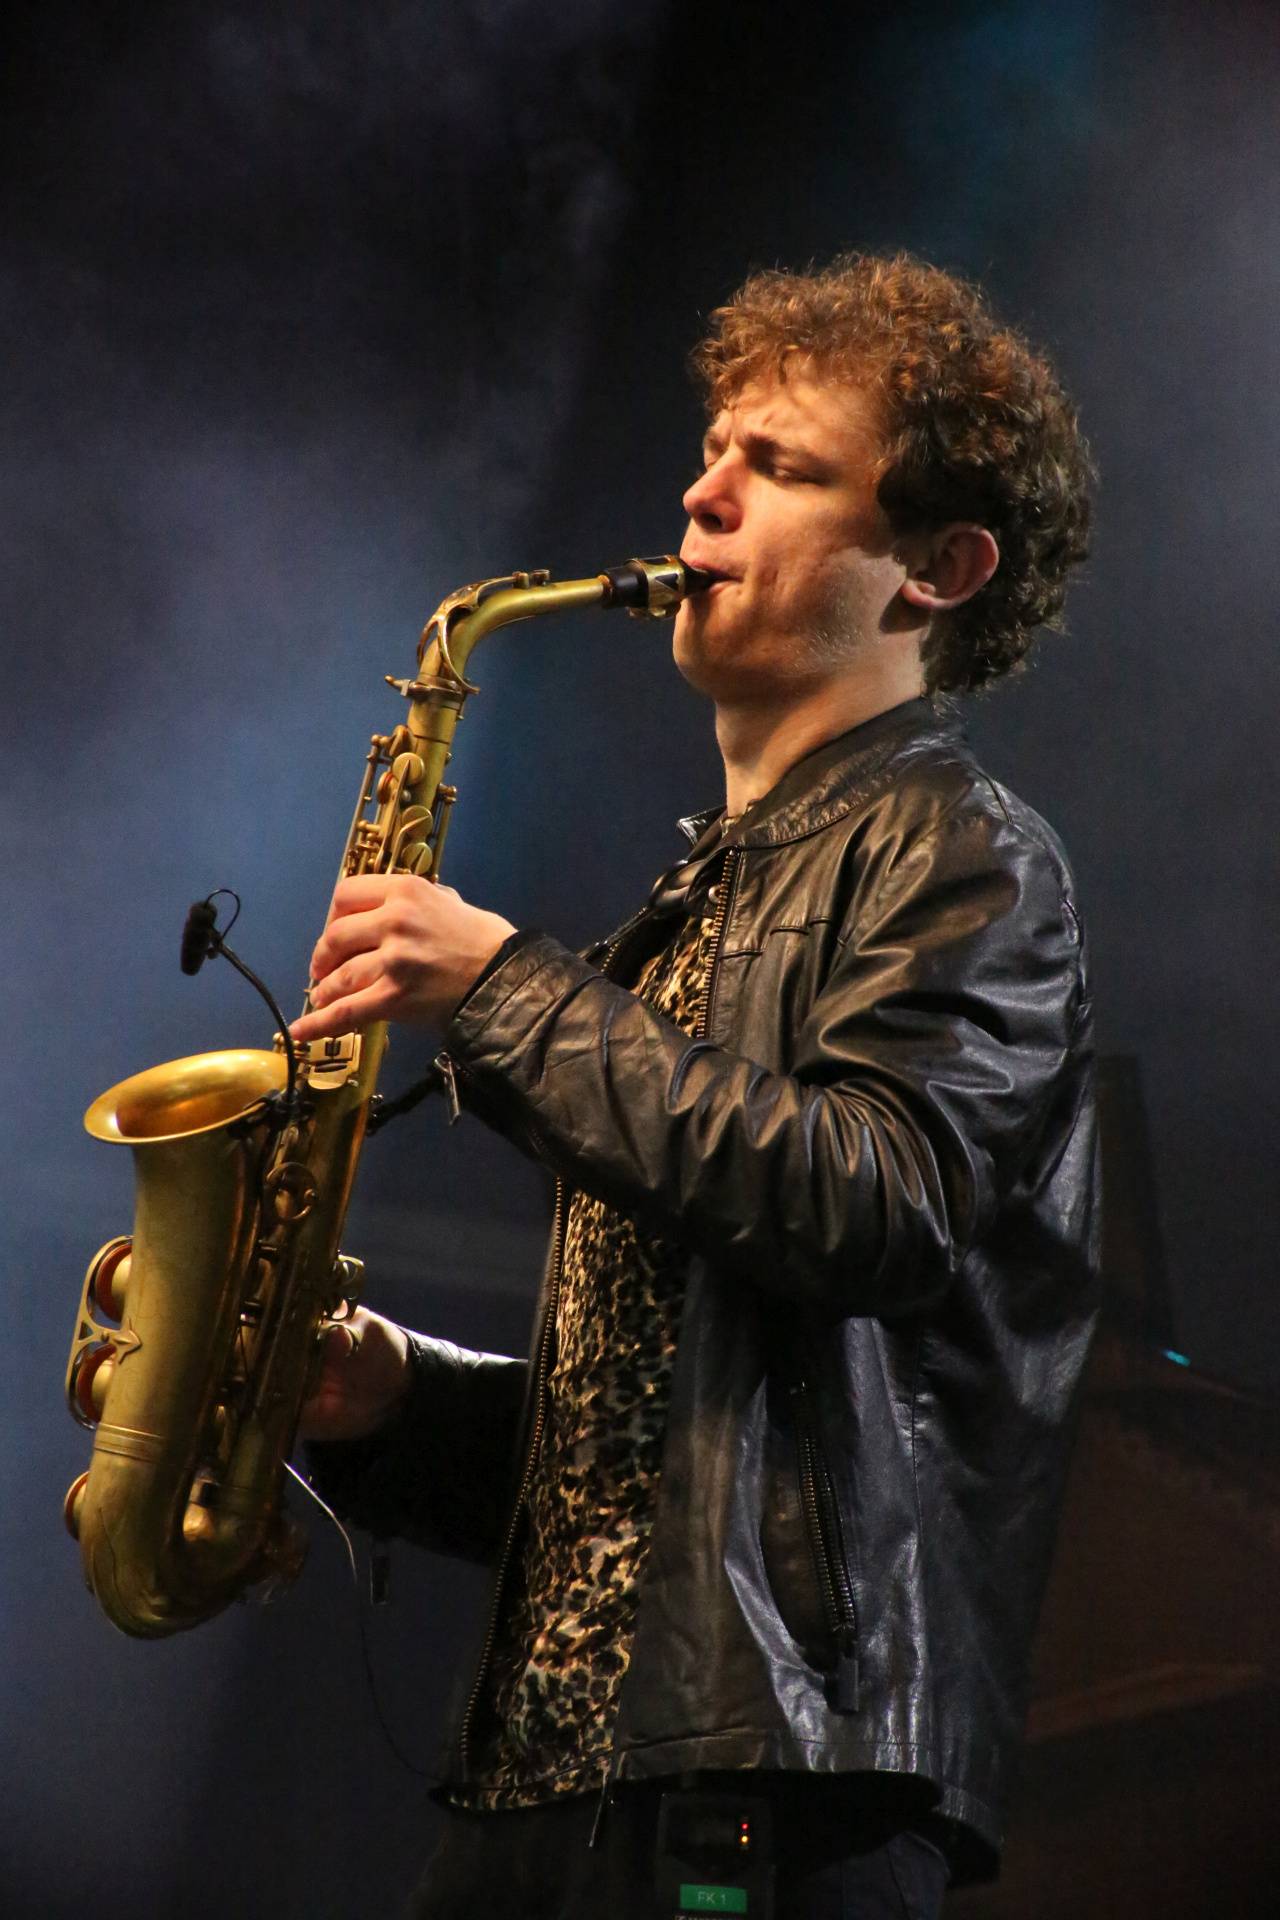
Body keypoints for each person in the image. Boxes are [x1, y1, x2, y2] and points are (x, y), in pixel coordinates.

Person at [293, 252, 1099, 1920]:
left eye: (779, 465)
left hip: (764, 1802)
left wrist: (504, 988)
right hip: (550, 1785)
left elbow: (880, 1204)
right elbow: (653, 1459)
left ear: (940, 567)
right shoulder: (693, 907)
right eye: (712, 448)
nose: (700, 492)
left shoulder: (969, 854)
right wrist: (399, 1405)